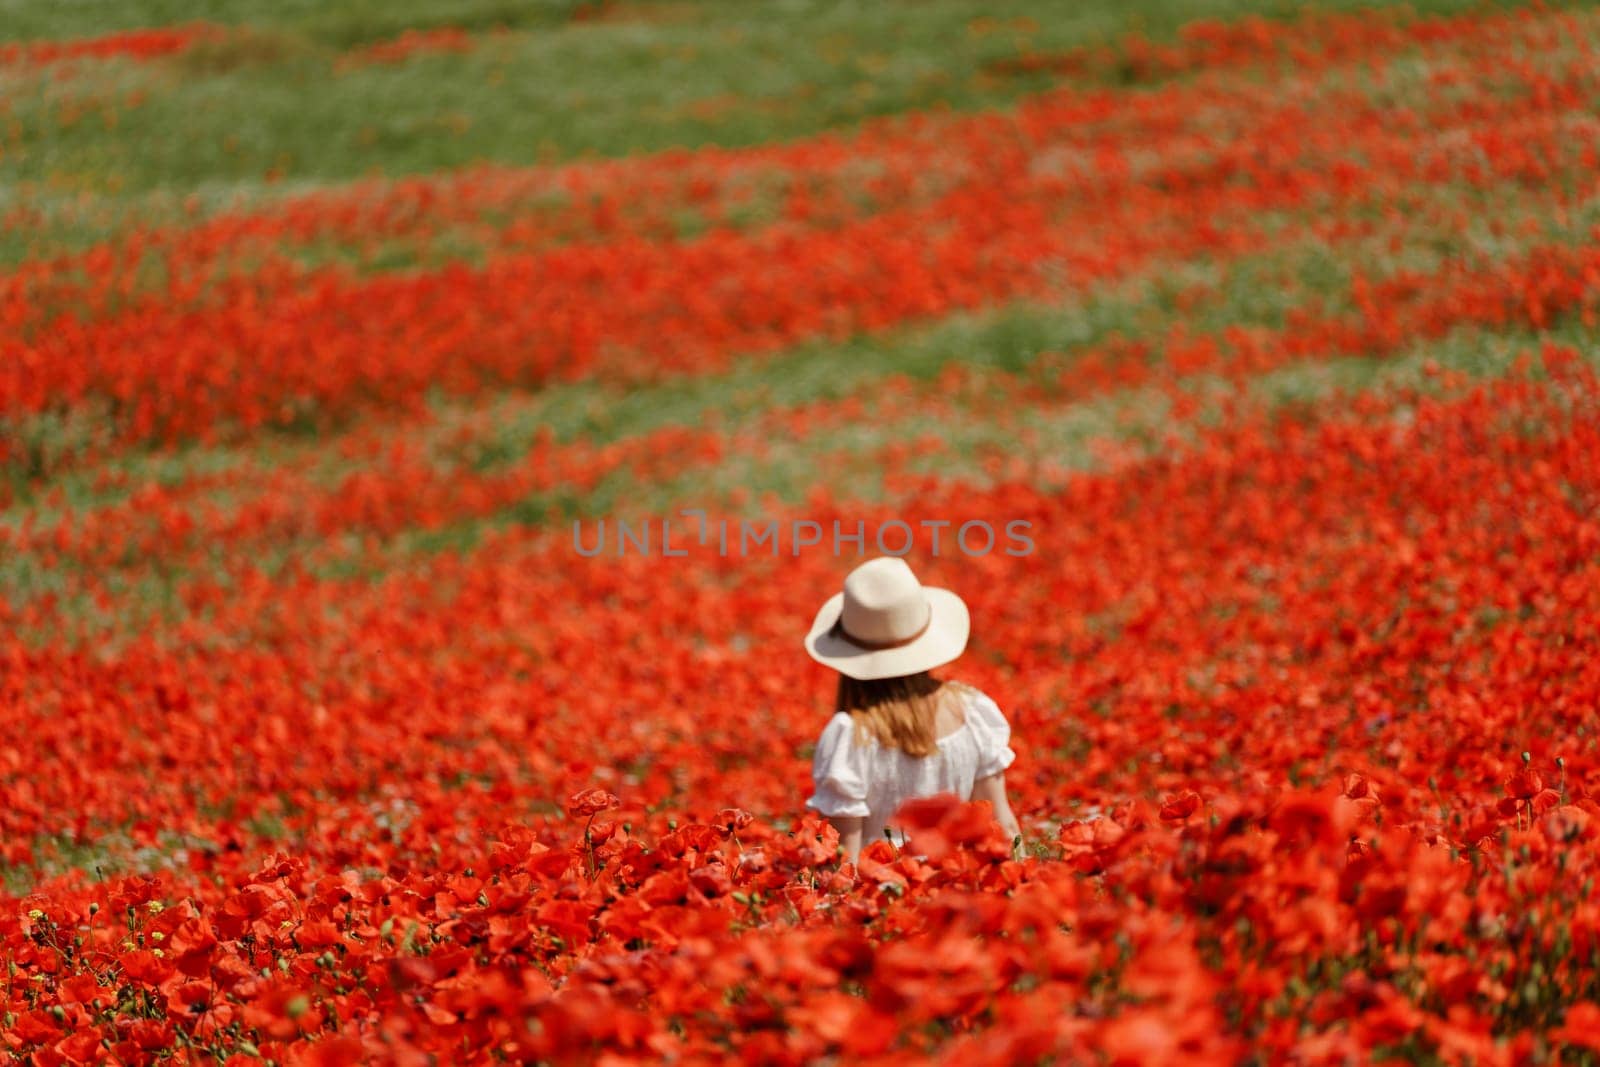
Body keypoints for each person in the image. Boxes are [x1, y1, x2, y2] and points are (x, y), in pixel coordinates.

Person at [803, 555, 1022, 863]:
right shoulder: (973, 712)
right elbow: (1002, 828)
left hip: (887, 902)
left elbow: (842, 862)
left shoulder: (850, 736)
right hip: (958, 894)